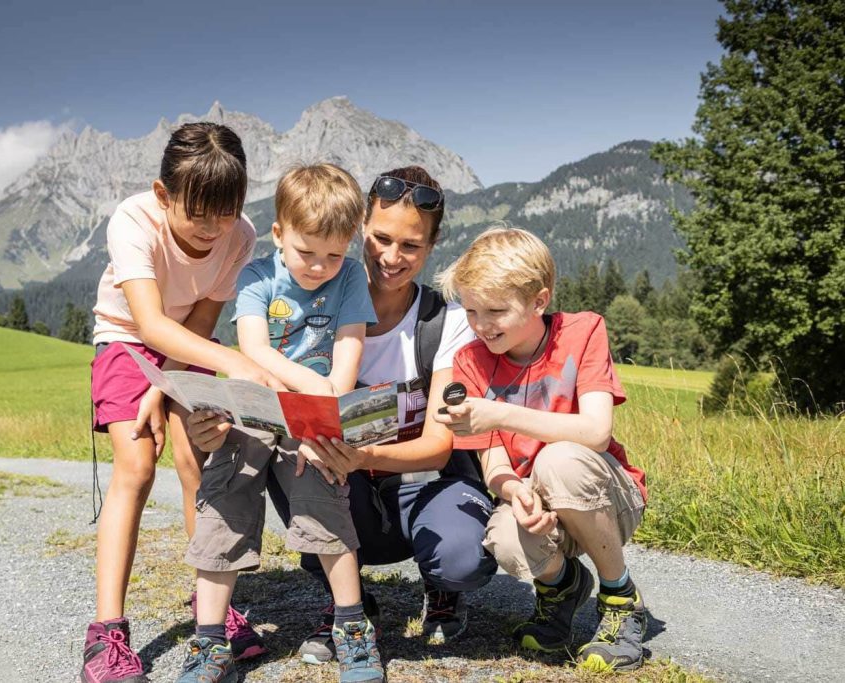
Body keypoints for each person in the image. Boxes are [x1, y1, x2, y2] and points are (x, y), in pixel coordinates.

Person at [188, 166, 499, 666]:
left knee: (461, 558)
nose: (392, 258)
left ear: (431, 246)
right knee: (301, 470)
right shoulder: (320, 301)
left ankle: (442, 586)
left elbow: (441, 445)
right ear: (361, 232)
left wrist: (363, 454)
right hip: (341, 477)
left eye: (411, 246)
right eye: (380, 239)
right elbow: (261, 370)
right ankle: (348, 604)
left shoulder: (448, 323)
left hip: (420, 480)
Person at [83, 122, 281, 683]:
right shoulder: (132, 219)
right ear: (164, 194)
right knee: (138, 463)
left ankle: (210, 610)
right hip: (125, 337)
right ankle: (106, 636)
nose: (213, 229)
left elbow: (201, 319)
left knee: (201, 458)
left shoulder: (238, 233)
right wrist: (235, 363)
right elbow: (147, 322)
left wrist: (163, 385)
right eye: (198, 214)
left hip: (185, 341)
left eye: (226, 212)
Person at [177, 164, 385, 683]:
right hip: (256, 408)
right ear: (278, 235)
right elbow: (252, 348)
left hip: (314, 416)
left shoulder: (352, 277)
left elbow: (346, 359)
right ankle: (209, 642)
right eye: (305, 253)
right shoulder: (256, 277)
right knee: (223, 504)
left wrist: (326, 393)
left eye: (334, 255)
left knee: (328, 508)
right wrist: (310, 384)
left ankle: (353, 631)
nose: (319, 267)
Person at [433, 226, 649, 672]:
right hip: (539, 495)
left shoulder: (583, 331)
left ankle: (621, 599)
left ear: (539, 300)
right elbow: (492, 462)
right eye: (471, 311)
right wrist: (515, 493)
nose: (481, 325)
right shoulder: (469, 361)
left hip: (605, 497)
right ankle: (563, 588)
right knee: (505, 537)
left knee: (560, 457)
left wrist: (500, 414)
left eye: (495, 311)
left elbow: (595, 433)